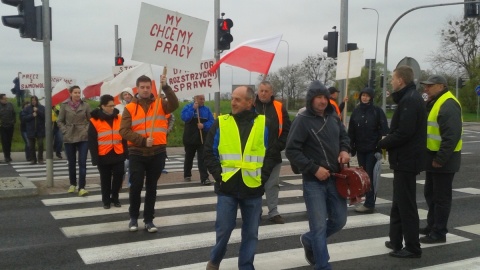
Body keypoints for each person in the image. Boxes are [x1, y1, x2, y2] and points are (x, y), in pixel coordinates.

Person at [204, 85, 275, 270]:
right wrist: (218, 176)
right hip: (227, 186)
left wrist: (263, 177)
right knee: (224, 230)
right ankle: (215, 260)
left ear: (249, 102)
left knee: (251, 233)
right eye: (232, 98)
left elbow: (271, 154)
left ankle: (246, 266)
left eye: (237, 99)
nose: (232, 102)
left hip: (253, 186)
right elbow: (208, 152)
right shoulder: (221, 122)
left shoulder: (263, 123)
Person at [285, 80, 350, 269]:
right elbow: (292, 150)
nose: (322, 101)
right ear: (311, 99)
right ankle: (322, 265)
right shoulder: (302, 120)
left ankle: (308, 239)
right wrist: (314, 169)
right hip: (314, 181)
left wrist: (345, 150)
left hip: (335, 178)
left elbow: (344, 137)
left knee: (339, 220)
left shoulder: (333, 117)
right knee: (319, 226)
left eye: (325, 97)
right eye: (318, 97)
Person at [119, 75, 179, 233]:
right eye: (142, 87)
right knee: (136, 185)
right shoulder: (130, 108)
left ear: (151, 88)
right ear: (137, 89)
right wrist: (143, 141)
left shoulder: (160, 103)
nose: (145, 90)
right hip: (137, 153)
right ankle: (133, 217)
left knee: (152, 187)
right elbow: (124, 130)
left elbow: (174, 105)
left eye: (147, 87)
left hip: (157, 152)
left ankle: (149, 220)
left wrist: (166, 87)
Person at [378, 65, 426, 258]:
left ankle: (413, 247)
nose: (391, 81)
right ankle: (396, 240)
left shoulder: (409, 101)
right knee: (398, 202)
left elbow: (404, 132)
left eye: (393, 78)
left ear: (401, 80)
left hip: (407, 159)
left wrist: (382, 143)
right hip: (404, 159)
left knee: (406, 204)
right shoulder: (409, 98)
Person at [419, 75, 463, 244]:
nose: (426, 89)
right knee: (431, 194)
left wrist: (441, 158)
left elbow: (451, 136)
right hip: (434, 157)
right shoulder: (436, 101)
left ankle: (439, 232)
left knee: (441, 197)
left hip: (443, 160)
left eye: (430, 86)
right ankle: (432, 226)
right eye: (425, 86)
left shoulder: (448, 103)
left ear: (441, 86)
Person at [254, 81, 291, 224]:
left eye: (266, 91)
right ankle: (255, 211)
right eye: (261, 90)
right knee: (255, 184)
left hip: (273, 153)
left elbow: (287, 129)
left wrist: (279, 145)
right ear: (257, 91)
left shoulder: (279, 107)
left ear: (271, 93)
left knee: (272, 184)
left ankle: (273, 212)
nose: (263, 93)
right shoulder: (251, 106)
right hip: (254, 155)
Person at [348, 87, 389, 213]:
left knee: (370, 176)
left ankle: (370, 203)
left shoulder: (377, 111)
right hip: (360, 148)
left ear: (371, 97)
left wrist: (381, 148)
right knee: (363, 176)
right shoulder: (356, 111)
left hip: (373, 149)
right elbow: (352, 130)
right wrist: (351, 146)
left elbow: (384, 130)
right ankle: (365, 199)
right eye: (363, 95)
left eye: (367, 96)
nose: (364, 98)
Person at [88, 94, 128, 209]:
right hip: (103, 155)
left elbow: (124, 136)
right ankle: (106, 200)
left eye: (113, 105)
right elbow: (92, 141)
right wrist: (94, 158)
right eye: (109, 106)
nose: (112, 108)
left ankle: (115, 198)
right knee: (105, 179)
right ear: (102, 106)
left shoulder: (119, 118)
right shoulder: (94, 120)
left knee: (119, 176)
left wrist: (126, 152)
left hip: (118, 153)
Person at [57, 85, 91, 196]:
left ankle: (82, 187)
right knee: (71, 162)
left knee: (82, 162)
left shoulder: (85, 105)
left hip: (82, 136)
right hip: (69, 135)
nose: (77, 94)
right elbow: (60, 121)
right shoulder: (64, 105)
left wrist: (86, 129)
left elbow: (91, 120)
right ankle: (72, 184)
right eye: (75, 92)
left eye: (79, 92)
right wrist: (64, 130)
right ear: (70, 93)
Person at [180, 94, 214, 185]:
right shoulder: (188, 107)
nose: (203, 101)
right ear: (195, 98)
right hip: (190, 137)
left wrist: (204, 125)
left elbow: (212, 122)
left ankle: (204, 178)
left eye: (203, 99)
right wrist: (193, 109)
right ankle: (187, 174)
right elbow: (185, 118)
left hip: (202, 138)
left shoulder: (207, 110)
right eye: (200, 99)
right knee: (189, 157)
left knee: (203, 158)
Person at [115, 87, 134, 189]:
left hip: (133, 136)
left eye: (128, 94)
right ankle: (119, 183)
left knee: (132, 163)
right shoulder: (118, 107)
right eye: (125, 94)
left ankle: (131, 183)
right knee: (123, 164)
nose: (127, 96)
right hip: (122, 137)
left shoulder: (136, 105)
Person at [23, 96, 46, 164]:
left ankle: (40, 159)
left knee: (40, 144)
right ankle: (33, 159)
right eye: (32, 100)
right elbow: (24, 118)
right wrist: (32, 115)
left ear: (37, 100)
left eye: (35, 100)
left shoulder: (42, 107)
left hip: (40, 129)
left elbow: (45, 116)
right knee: (31, 146)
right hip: (31, 129)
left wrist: (38, 111)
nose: (33, 101)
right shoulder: (27, 108)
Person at [0, 93, 16, 163]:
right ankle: (6, 156)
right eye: (4, 99)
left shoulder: (10, 105)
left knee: (9, 142)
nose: (6, 100)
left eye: (6, 98)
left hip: (10, 126)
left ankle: (8, 156)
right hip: (2, 126)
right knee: (4, 142)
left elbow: (14, 114)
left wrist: (13, 121)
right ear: (0, 100)